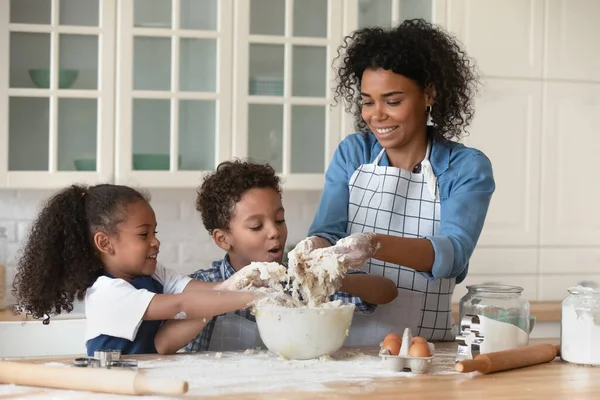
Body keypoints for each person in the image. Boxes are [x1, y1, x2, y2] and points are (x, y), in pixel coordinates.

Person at [294, 19, 495, 344]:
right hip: (343, 343)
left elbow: (454, 255)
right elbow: (329, 231)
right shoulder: (353, 153)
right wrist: (315, 244)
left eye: (393, 101)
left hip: (424, 346)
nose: (376, 115)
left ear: (428, 93)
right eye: (367, 101)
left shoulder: (464, 167)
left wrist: (373, 245)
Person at [12, 184, 265, 356]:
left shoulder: (153, 274)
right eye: (143, 234)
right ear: (105, 243)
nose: (155, 241)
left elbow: (166, 339)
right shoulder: (107, 293)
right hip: (114, 387)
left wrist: (249, 279)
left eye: (154, 232)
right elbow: (180, 305)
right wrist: (253, 298)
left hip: (151, 370)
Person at [185, 160, 398, 352]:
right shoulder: (205, 283)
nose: (274, 232)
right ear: (223, 239)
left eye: (279, 220)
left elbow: (386, 292)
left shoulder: (300, 282)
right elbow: (183, 357)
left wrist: (329, 274)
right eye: (256, 226)